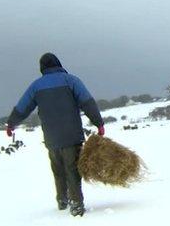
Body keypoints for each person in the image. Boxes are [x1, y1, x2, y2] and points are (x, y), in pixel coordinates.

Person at [6, 53, 104, 217]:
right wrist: (98, 123)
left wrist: (11, 124)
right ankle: (76, 204)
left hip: (51, 138)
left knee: (58, 170)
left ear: (42, 68)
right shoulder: (71, 81)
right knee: (72, 170)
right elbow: (87, 102)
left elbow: (23, 107)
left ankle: (62, 199)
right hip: (72, 135)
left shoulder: (36, 86)